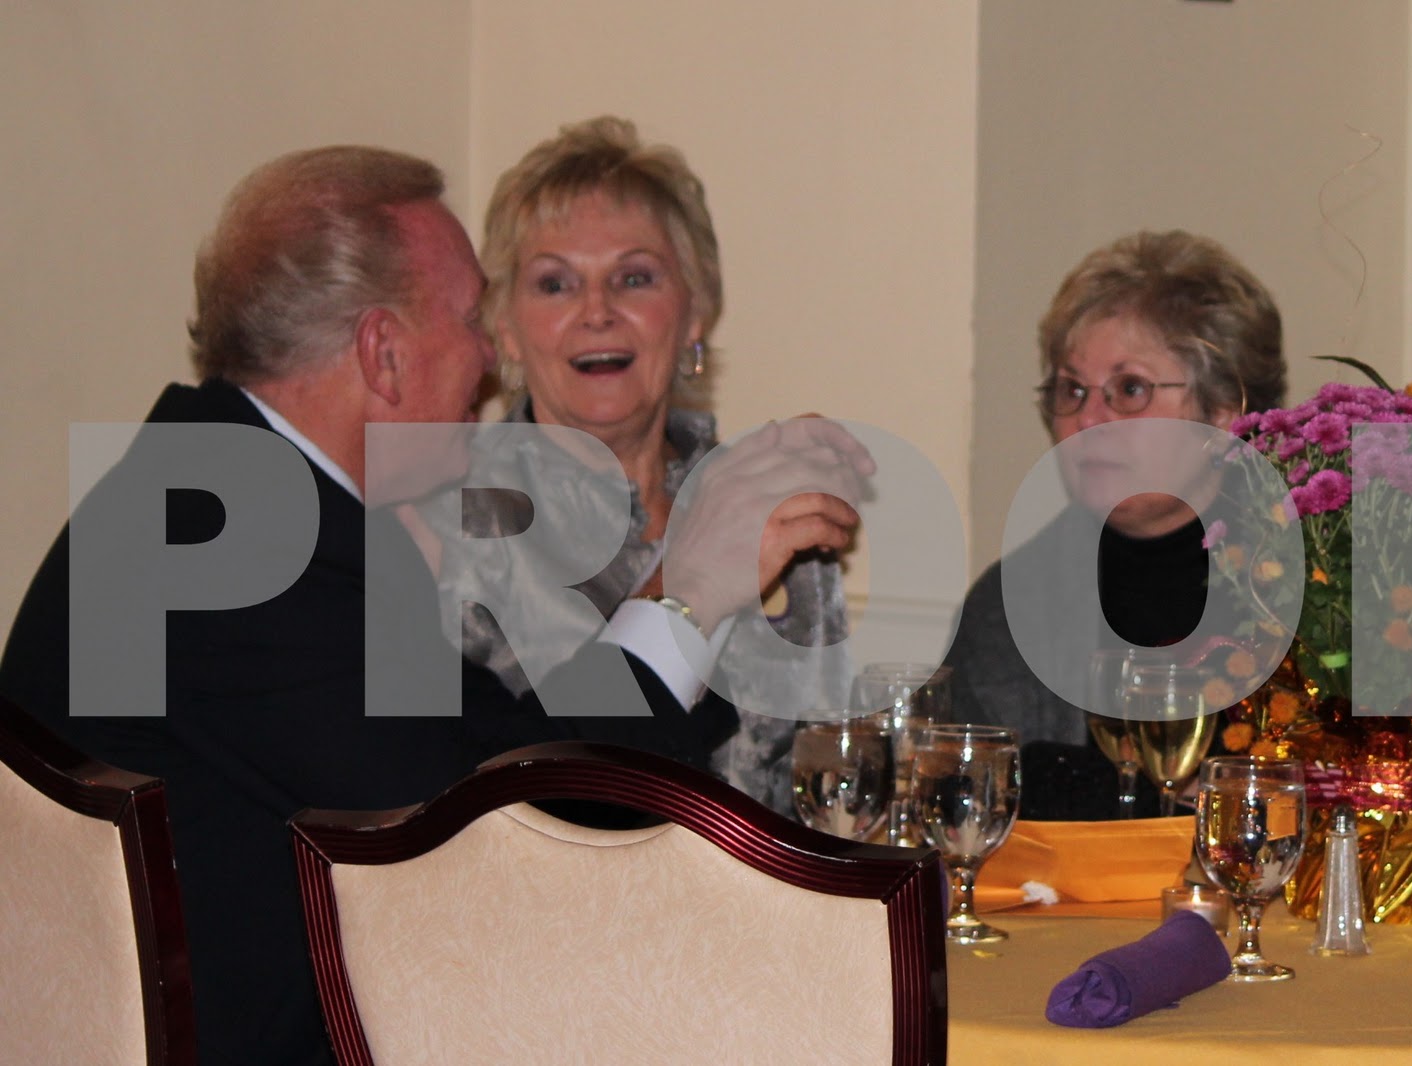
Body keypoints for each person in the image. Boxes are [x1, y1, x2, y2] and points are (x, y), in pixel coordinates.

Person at [0, 145, 870, 1065]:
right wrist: (686, 596)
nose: (490, 359)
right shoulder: (232, 546)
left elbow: (497, 754)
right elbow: (501, 842)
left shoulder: (236, 505)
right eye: (468, 321)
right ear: (383, 352)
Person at [426, 116, 848, 811]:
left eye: (634, 277)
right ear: (504, 328)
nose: (598, 311)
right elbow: (481, 802)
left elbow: (831, 781)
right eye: (555, 285)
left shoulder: (767, 504)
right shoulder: (448, 527)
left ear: (695, 313)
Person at [943, 229, 1286, 819]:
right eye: (1071, 389)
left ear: (1223, 415)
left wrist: (1058, 776)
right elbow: (970, 810)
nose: (1087, 420)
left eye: (1129, 389)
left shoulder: (1320, 589)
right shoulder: (1011, 605)